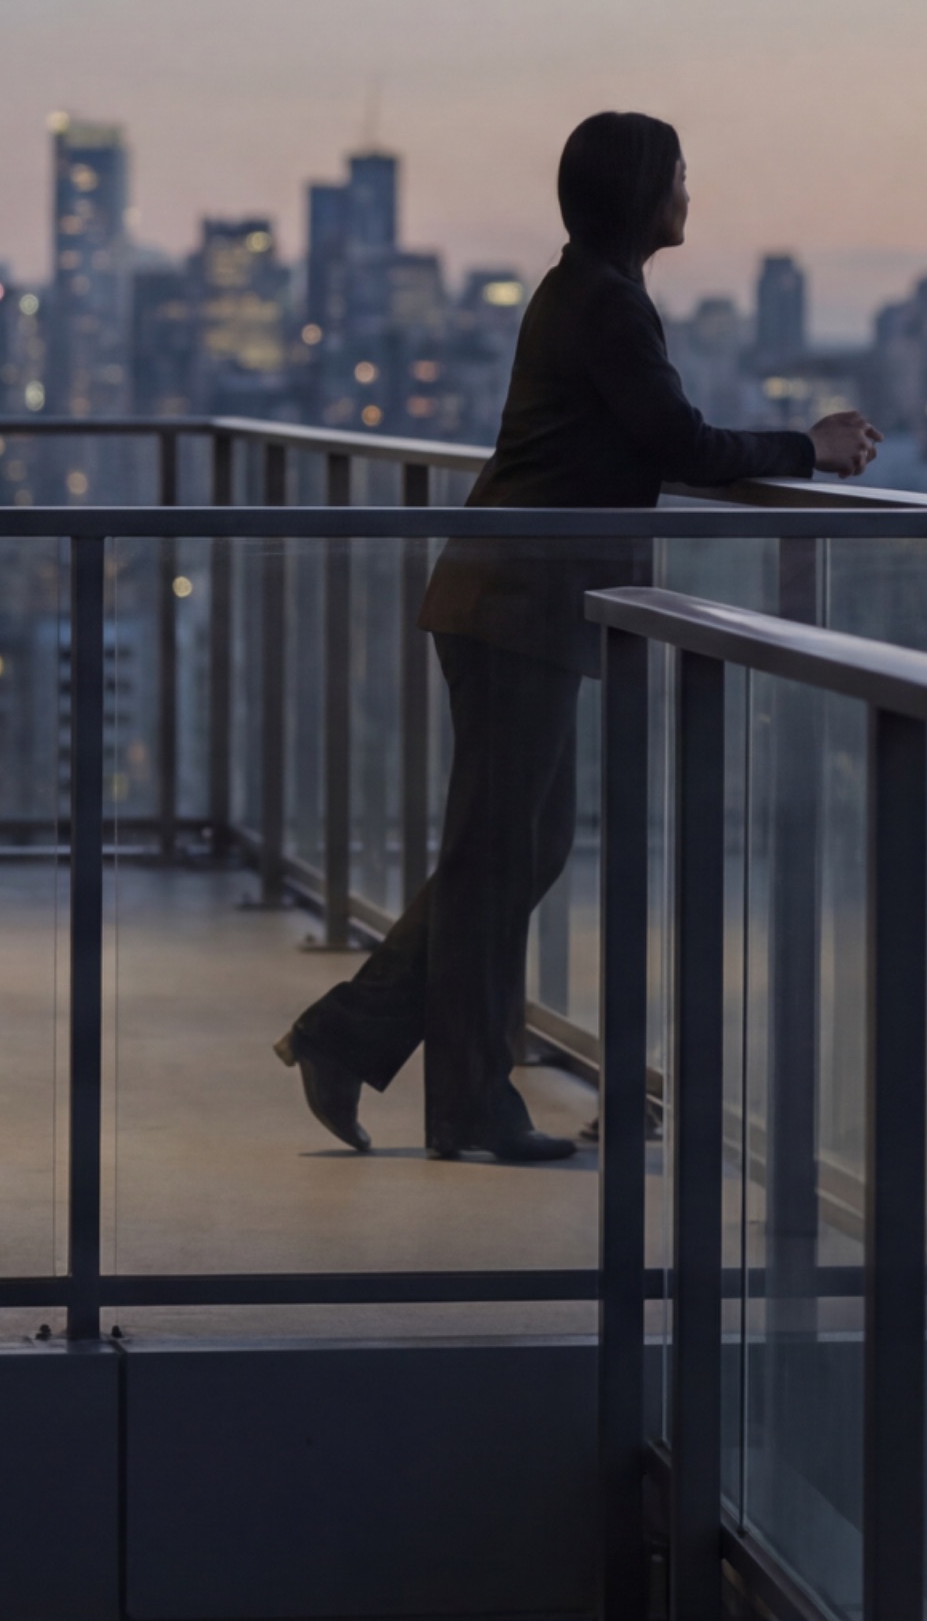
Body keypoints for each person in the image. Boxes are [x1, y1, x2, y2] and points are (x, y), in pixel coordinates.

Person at [276, 113, 878, 1162]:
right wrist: (809, 447)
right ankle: (463, 1097)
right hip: (515, 600)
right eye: (680, 175)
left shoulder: (591, 290)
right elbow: (676, 441)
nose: (692, 190)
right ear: (643, 193)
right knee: (497, 852)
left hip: (515, 596)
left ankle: (354, 1034)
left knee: (515, 848)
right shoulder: (602, 301)